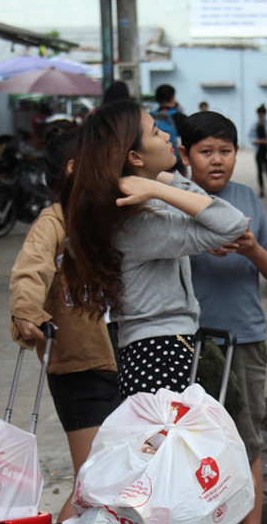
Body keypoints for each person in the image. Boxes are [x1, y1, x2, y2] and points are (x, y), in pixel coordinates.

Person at [9, 127, 122, 524]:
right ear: (76, 169)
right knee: (91, 482)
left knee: (101, 480)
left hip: (118, 363)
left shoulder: (106, 219)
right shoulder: (53, 222)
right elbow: (29, 272)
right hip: (75, 368)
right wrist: (25, 312)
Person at [62, 100, 248, 398]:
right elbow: (231, 223)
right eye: (154, 131)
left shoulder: (140, 207)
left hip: (156, 349)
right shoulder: (138, 221)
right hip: (161, 352)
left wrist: (159, 180)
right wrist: (160, 187)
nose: (165, 135)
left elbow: (206, 208)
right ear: (135, 156)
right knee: (167, 444)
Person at [180, 111, 267, 524]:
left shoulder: (247, 199)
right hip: (187, 339)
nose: (216, 160)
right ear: (186, 156)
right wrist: (198, 246)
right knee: (186, 443)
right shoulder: (175, 197)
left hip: (243, 335)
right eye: (206, 152)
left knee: (247, 439)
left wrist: (250, 248)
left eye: (225, 150)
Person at [153, 84, 187, 176]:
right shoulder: (180, 117)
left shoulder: (149, 117)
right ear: (173, 98)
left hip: (154, 163)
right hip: (176, 162)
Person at [247, 104, 267, 197]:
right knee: (260, 170)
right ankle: (261, 189)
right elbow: (250, 136)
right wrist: (256, 141)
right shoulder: (255, 125)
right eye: (260, 113)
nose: (261, 115)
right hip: (259, 150)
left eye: (262, 113)